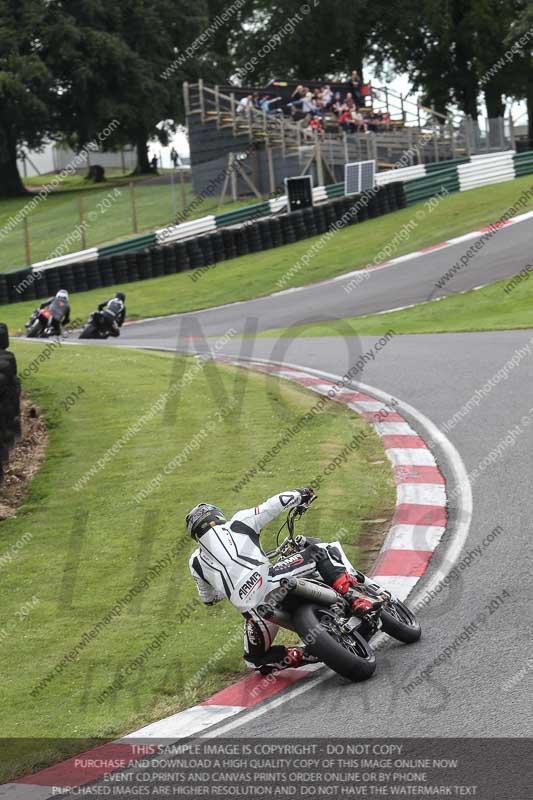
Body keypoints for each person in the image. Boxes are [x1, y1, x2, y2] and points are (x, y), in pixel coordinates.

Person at [187, 489, 385, 673]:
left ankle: (300, 654)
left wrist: (226, 588)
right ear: (218, 515)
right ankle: (356, 597)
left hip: (255, 610)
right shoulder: (237, 523)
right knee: (318, 552)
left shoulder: (194, 562)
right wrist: (301, 495)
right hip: (273, 580)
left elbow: (209, 598)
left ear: (195, 534)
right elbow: (272, 505)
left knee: (254, 660)